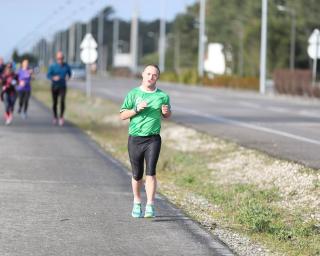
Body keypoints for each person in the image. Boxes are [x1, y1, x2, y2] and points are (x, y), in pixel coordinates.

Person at [120, 64, 171, 218]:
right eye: (148, 74)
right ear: (142, 75)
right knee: (137, 174)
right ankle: (137, 202)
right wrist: (136, 109)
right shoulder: (133, 93)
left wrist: (167, 112)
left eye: (154, 75)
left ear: (157, 77)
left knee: (151, 172)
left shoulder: (163, 96)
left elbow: (167, 114)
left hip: (153, 139)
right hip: (135, 138)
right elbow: (122, 115)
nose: (150, 77)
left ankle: (150, 204)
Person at [47, 51, 71, 126]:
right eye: (58, 58)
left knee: (62, 101)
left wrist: (68, 77)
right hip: (54, 86)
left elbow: (69, 73)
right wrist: (53, 77)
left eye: (61, 58)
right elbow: (48, 75)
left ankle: (61, 117)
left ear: (63, 58)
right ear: (56, 59)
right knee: (55, 102)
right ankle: (55, 116)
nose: (60, 60)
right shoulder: (53, 66)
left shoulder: (66, 66)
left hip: (62, 86)